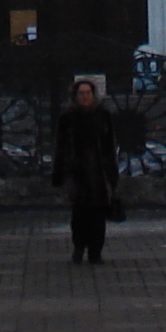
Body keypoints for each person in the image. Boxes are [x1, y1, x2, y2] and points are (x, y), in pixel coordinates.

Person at [51, 77, 121, 265]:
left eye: (87, 93)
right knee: (80, 214)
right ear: (75, 95)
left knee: (98, 215)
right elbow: (60, 147)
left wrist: (112, 174)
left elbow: (109, 145)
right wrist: (59, 173)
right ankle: (79, 247)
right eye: (81, 93)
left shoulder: (103, 115)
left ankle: (95, 251)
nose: (84, 97)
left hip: (99, 172)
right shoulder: (68, 117)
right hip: (77, 173)